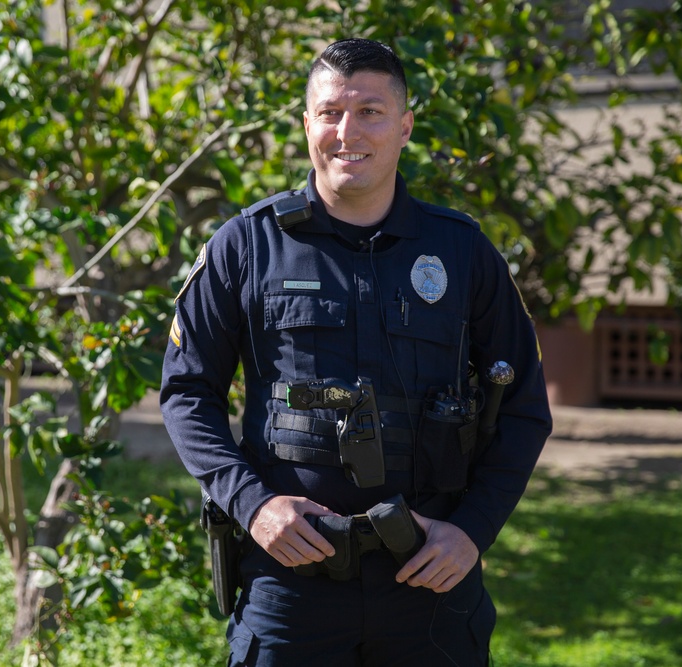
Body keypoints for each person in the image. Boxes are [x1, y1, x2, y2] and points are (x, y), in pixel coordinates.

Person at [160, 38, 552, 666]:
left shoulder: (463, 253)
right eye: (330, 112)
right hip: (290, 584)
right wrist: (252, 505)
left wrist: (473, 531)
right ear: (307, 124)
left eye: (369, 111)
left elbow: (525, 407)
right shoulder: (245, 247)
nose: (348, 131)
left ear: (404, 126)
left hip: (429, 582)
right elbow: (186, 394)